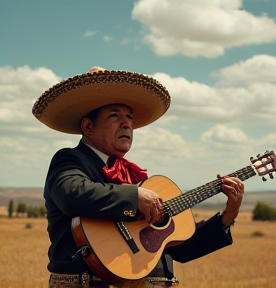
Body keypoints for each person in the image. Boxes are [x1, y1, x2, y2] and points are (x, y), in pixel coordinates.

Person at [32, 66, 244, 288]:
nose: (127, 124)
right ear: (88, 126)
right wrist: (135, 197)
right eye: (115, 115)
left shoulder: (132, 177)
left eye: (130, 117)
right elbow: (71, 194)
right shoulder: (70, 160)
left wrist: (227, 217)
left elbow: (178, 247)